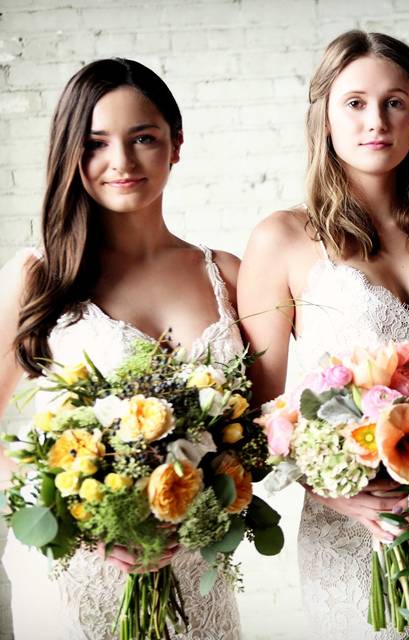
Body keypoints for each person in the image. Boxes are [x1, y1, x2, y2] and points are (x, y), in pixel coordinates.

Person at [238, 30, 409, 638]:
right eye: (354, 102)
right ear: (324, 116)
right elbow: (254, 411)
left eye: (394, 101)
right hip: (353, 527)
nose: (375, 120)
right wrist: (331, 490)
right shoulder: (283, 239)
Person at [0, 58, 242, 639]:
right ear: (70, 154)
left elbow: (253, 430)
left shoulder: (226, 273)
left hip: (195, 569)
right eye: (96, 143)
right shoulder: (38, 276)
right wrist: (81, 517)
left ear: (175, 146)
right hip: (82, 567)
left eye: (144, 139)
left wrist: (211, 501)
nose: (122, 163)